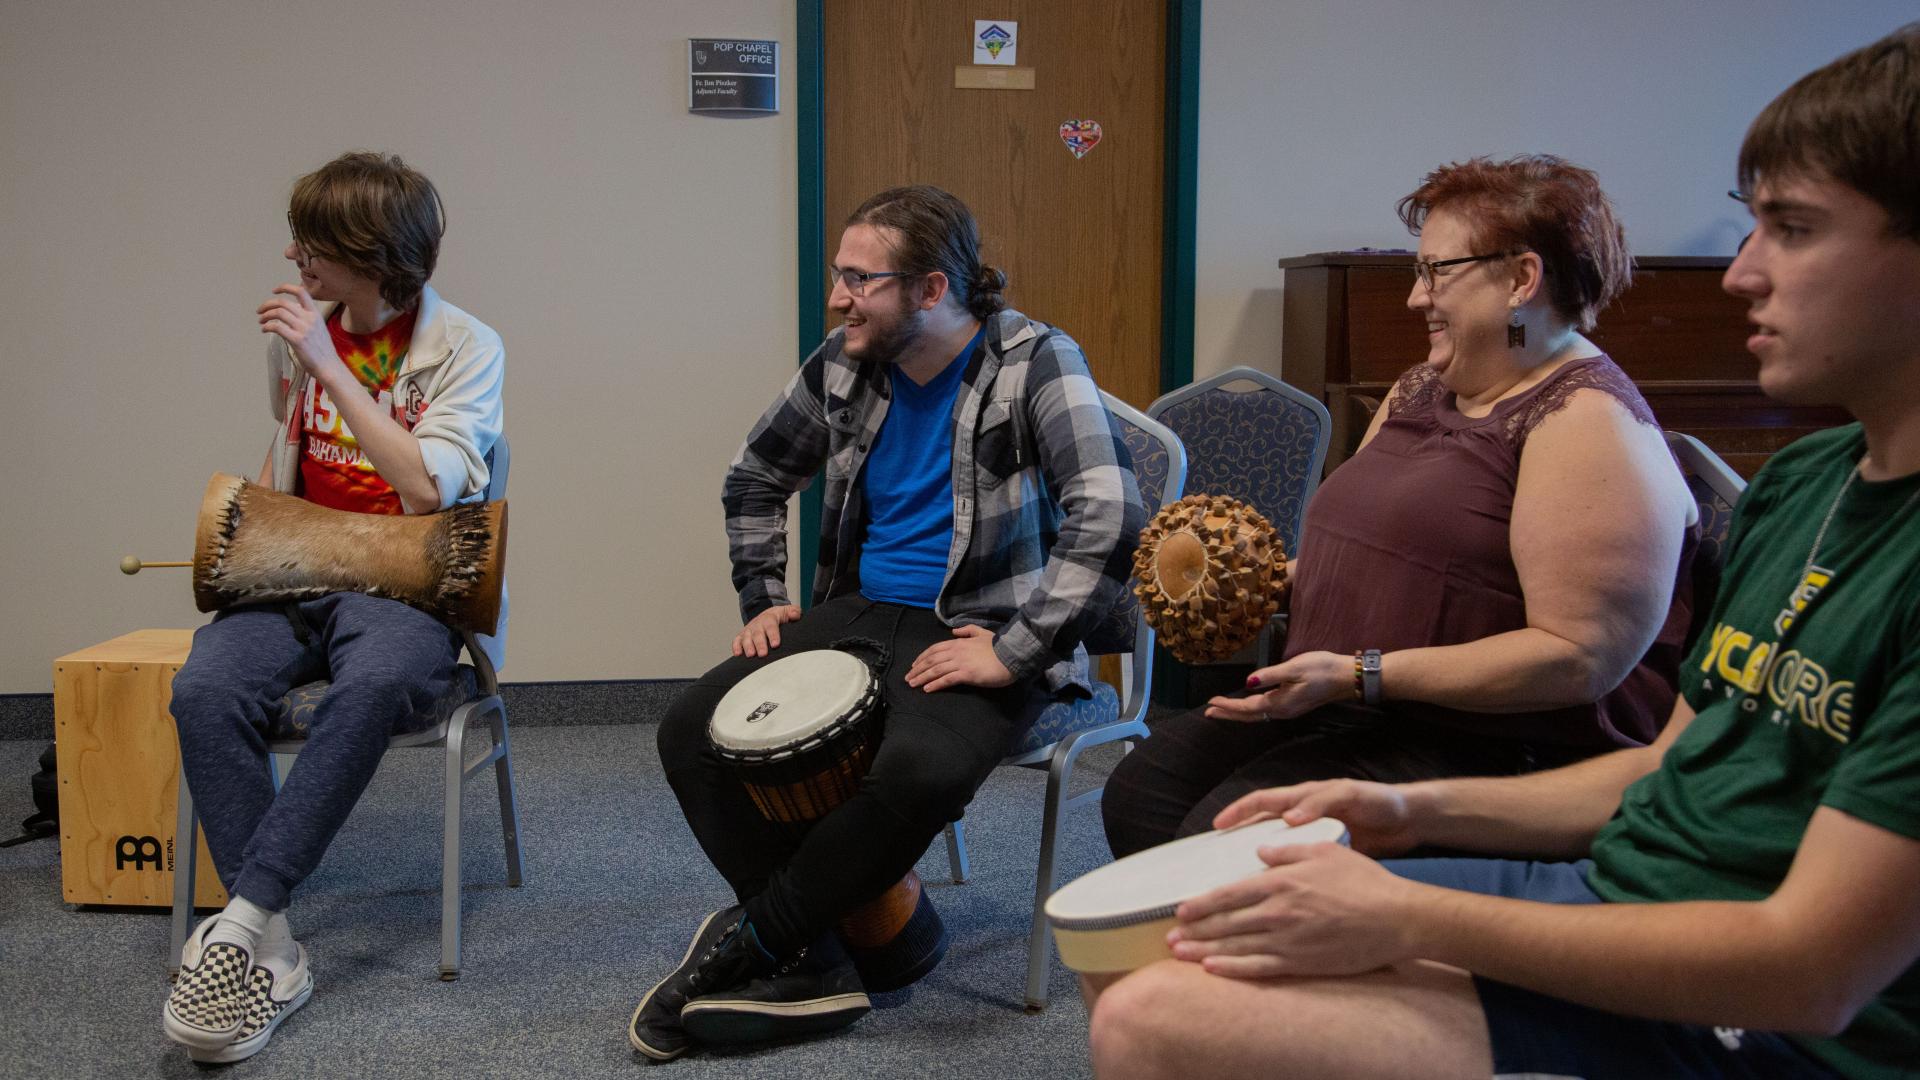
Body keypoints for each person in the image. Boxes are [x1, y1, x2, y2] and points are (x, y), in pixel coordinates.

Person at [1085, 23, 1920, 1079]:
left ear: (1520, 279)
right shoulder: (1803, 486)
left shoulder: (1585, 422)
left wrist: (1405, 906)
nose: (1736, 274)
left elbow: (1588, 669)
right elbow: (1667, 770)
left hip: (1598, 845)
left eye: (1791, 229)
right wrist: (1392, 808)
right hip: (1612, 859)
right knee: (1153, 838)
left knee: (1175, 973)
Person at [632, 184, 1144, 1061]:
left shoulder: (1035, 360)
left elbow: (1110, 509)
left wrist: (1018, 648)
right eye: (842, 276)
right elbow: (753, 477)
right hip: (854, 609)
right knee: (690, 734)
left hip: (979, 626)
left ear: (933, 290)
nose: (838, 297)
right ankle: (816, 953)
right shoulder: (843, 361)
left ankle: (754, 945)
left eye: (859, 280)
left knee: (923, 769)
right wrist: (763, 599)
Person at [1102, 155, 1698, 859]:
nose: (1417, 298)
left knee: (1223, 845)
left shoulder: (1587, 423)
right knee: (1143, 795)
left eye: (1437, 272)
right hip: (1360, 704)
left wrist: (1362, 674)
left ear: (1521, 280)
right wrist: (1257, 579)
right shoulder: (1423, 387)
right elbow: (1383, 548)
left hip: (1498, 742)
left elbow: (1578, 658)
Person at [162, 152, 505, 1064]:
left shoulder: (467, 345)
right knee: (202, 691)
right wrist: (309, 350)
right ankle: (268, 944)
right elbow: (290, 451)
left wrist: (327, 361)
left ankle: (240, 921)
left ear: (373, 251)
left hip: (403, 576)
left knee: (379, 681)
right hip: (293, 569)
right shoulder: (299, 333)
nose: (294, 255)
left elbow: (426, 489)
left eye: (313, 243)